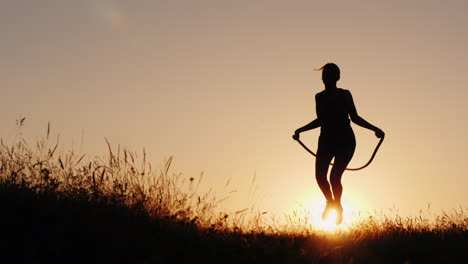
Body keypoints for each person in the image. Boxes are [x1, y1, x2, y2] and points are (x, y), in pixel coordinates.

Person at [293, 63, 384, 225]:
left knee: (334, 177)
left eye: (331, 74)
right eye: (325, 74)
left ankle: (338, 207)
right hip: (326, 139)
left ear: (337, 77)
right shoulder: (319, 97)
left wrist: (374, 129)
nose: (327, 77)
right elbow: (321, 120)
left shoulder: (345, 94)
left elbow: (354, 117)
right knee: (320, 176)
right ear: (322, 78)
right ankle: (331, 203)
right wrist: (301, 129)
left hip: (345, 140)